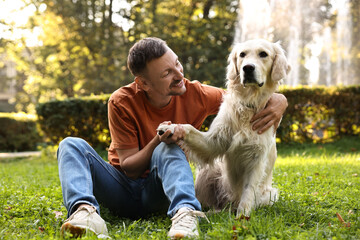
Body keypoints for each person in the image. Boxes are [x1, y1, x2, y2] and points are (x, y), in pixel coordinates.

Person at [57, 37, 288, 238]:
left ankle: (185, 215)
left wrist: (280, 101)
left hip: (161, 192)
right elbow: (129, 168)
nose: (179, 75)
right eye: (167, 73)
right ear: (143, 83)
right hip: (121, 190)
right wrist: (159, 139)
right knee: (70, 145)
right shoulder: (121, 101)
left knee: (172, 145)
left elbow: (240, 97)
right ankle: (83, 213)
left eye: (177, 64)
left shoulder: (195, 92)